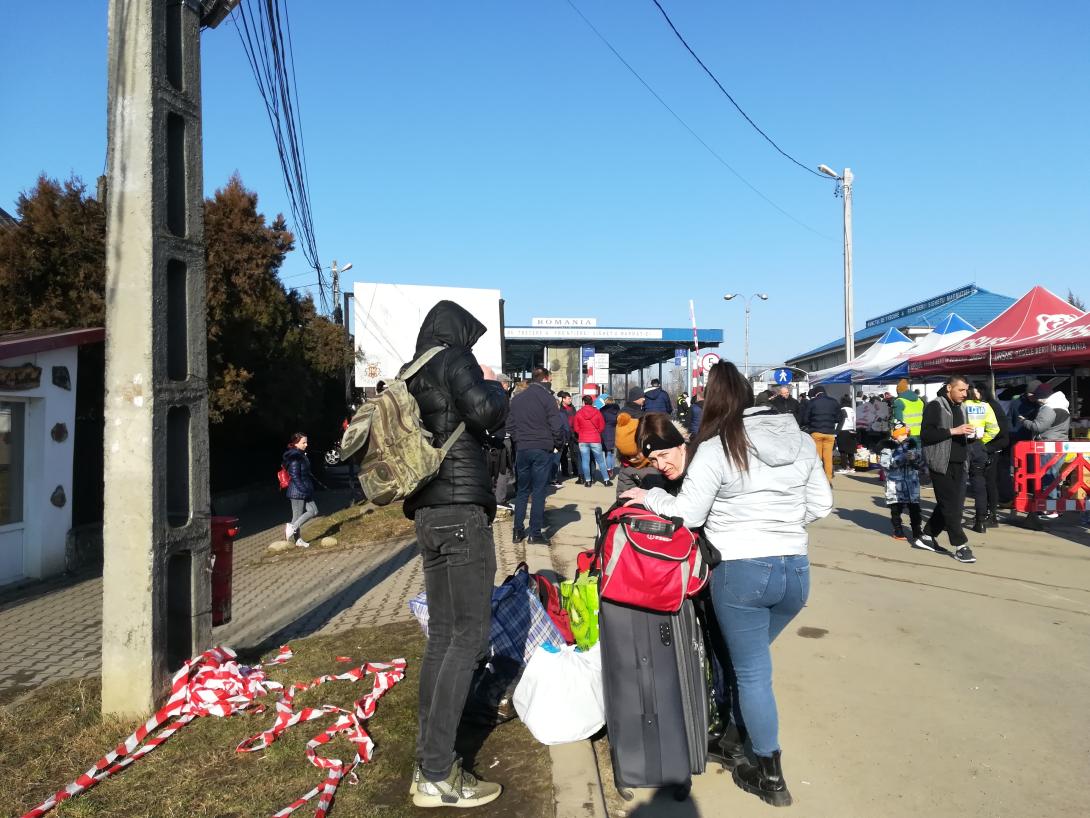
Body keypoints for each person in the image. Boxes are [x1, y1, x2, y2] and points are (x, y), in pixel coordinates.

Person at [621, 361, 832, 808]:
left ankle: (768, 772)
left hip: (741, 572)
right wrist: (784, 526)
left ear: (713, 401)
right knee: (745, 663)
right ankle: (733, 735)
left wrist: (650, 496)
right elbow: (822, 504)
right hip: (795, 570)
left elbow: (691, 514)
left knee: (752, 672)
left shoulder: (718, 447)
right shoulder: (801, 442)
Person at [401, 300, 509, 809]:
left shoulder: (412, 369)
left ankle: (429, 764)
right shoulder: (454, 358)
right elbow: (486, 411)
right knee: (467, 638)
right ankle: (439, 774)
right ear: (459, 331)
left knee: (444, 638)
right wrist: (493, 384)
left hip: (427, 513)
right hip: (461, 509)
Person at [917, 375, 976, 564]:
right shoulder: (936, 405)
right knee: (951, 505)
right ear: (949, 388)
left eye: (966, 390)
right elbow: (926, 434)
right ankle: (960, 545)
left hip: (960, 461)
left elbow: (960, 433)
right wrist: (953, 431)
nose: (965, 394)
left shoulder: (962, 407)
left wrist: (970, 435)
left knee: (951, 503)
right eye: (961, 390)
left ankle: (927, 536)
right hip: (941, 463)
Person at [509, 367, 568, 546]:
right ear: (546, 378)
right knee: (539, 492)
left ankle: (517, 531)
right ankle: (535, 533)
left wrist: (518, 440)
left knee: (522, 491)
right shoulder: (548, 398)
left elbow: (509, 425)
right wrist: (558, 444)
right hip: (542, 448)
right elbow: (557, 426)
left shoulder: (517, 399)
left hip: (523, 448)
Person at [1017, 382, 1071, 518]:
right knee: (1053, 475)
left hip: (1048, 444)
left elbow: (1038, 427)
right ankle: (1055, 507)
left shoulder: (1048, 408)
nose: (1037, 400)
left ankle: (1050, 508)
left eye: (1037, 397)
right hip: (1060, 443)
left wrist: (1023, 421)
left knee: (1047, 475)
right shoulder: (1062, 404)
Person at [963, 384, 1003, 532]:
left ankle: (951, 521)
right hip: (978, 446)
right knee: (979, 484)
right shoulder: (986, 407)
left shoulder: (961, 405)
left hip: (963, 445)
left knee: (959, 483)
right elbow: (995, 429)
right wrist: (982, 442)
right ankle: (980, 521)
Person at [877, 420, 923, 542]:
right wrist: (900, 458)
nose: (904, 437)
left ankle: (917, 530)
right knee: (896, 508)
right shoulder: (887, 447)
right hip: (895, 483)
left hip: (911, 482)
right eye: (901, 434)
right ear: (894, 435)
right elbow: (885, 464)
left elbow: (920, 463)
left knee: (915, 507)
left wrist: (915, 458)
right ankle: (898, 529)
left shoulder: (912, 445)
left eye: (905, 434)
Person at [283, 432, 317, 548]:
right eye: (304, 442)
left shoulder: (301, 454)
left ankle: (293, 529)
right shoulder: (295, 457)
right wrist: (304, 490)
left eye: (306, 442)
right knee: (297, 516)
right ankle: (295, 536)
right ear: (296, 444)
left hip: (305, 489)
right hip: (298, 491)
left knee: (314, 511)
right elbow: (295, 476)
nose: (306, 444)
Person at [801, 385, 839, 481]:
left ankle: (817, 480)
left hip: (816, 432)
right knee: (828, 457)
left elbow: (805, 419)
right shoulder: (833, 402)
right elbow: (838, 418)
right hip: (830, 433)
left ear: (816, 393)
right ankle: (828, 479)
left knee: (817, 458)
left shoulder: (812, 402)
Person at [572, 395, 611, 487]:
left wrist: (581, 432)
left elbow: (576, 427)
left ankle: (588, 481)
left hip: (583, 439)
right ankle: (606, 480)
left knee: (585, 461)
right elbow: (602, 426)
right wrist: (597, 432)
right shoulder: (597, 412)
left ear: (583, 402)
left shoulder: (578, 413)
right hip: (595, 439)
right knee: (600, 461)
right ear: (592, 402)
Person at [892, 379, 925, 447]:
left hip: (907, 435)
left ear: (898, 391)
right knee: (919, 455)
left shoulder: (899, 402)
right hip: (921, 433)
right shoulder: (919, 401)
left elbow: (898, 422)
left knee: (907, 456)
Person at [835, 395, 857, 475]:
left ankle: (844, 467)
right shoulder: (852, 410)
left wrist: (836, 432)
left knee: (843, 451)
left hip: (843, 430)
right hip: (852, 430)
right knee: (851, 450)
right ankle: (852, 467)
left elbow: (841, 422)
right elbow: (854, 421)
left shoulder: (842, 410)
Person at [600, 395, 620, 478]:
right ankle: (611, 468)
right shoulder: (618, 411)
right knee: (612, 452)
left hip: (606, 432)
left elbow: (600, 421)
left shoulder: (603, 411)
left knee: (607, 452)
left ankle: (609, 469)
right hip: (616, 432)